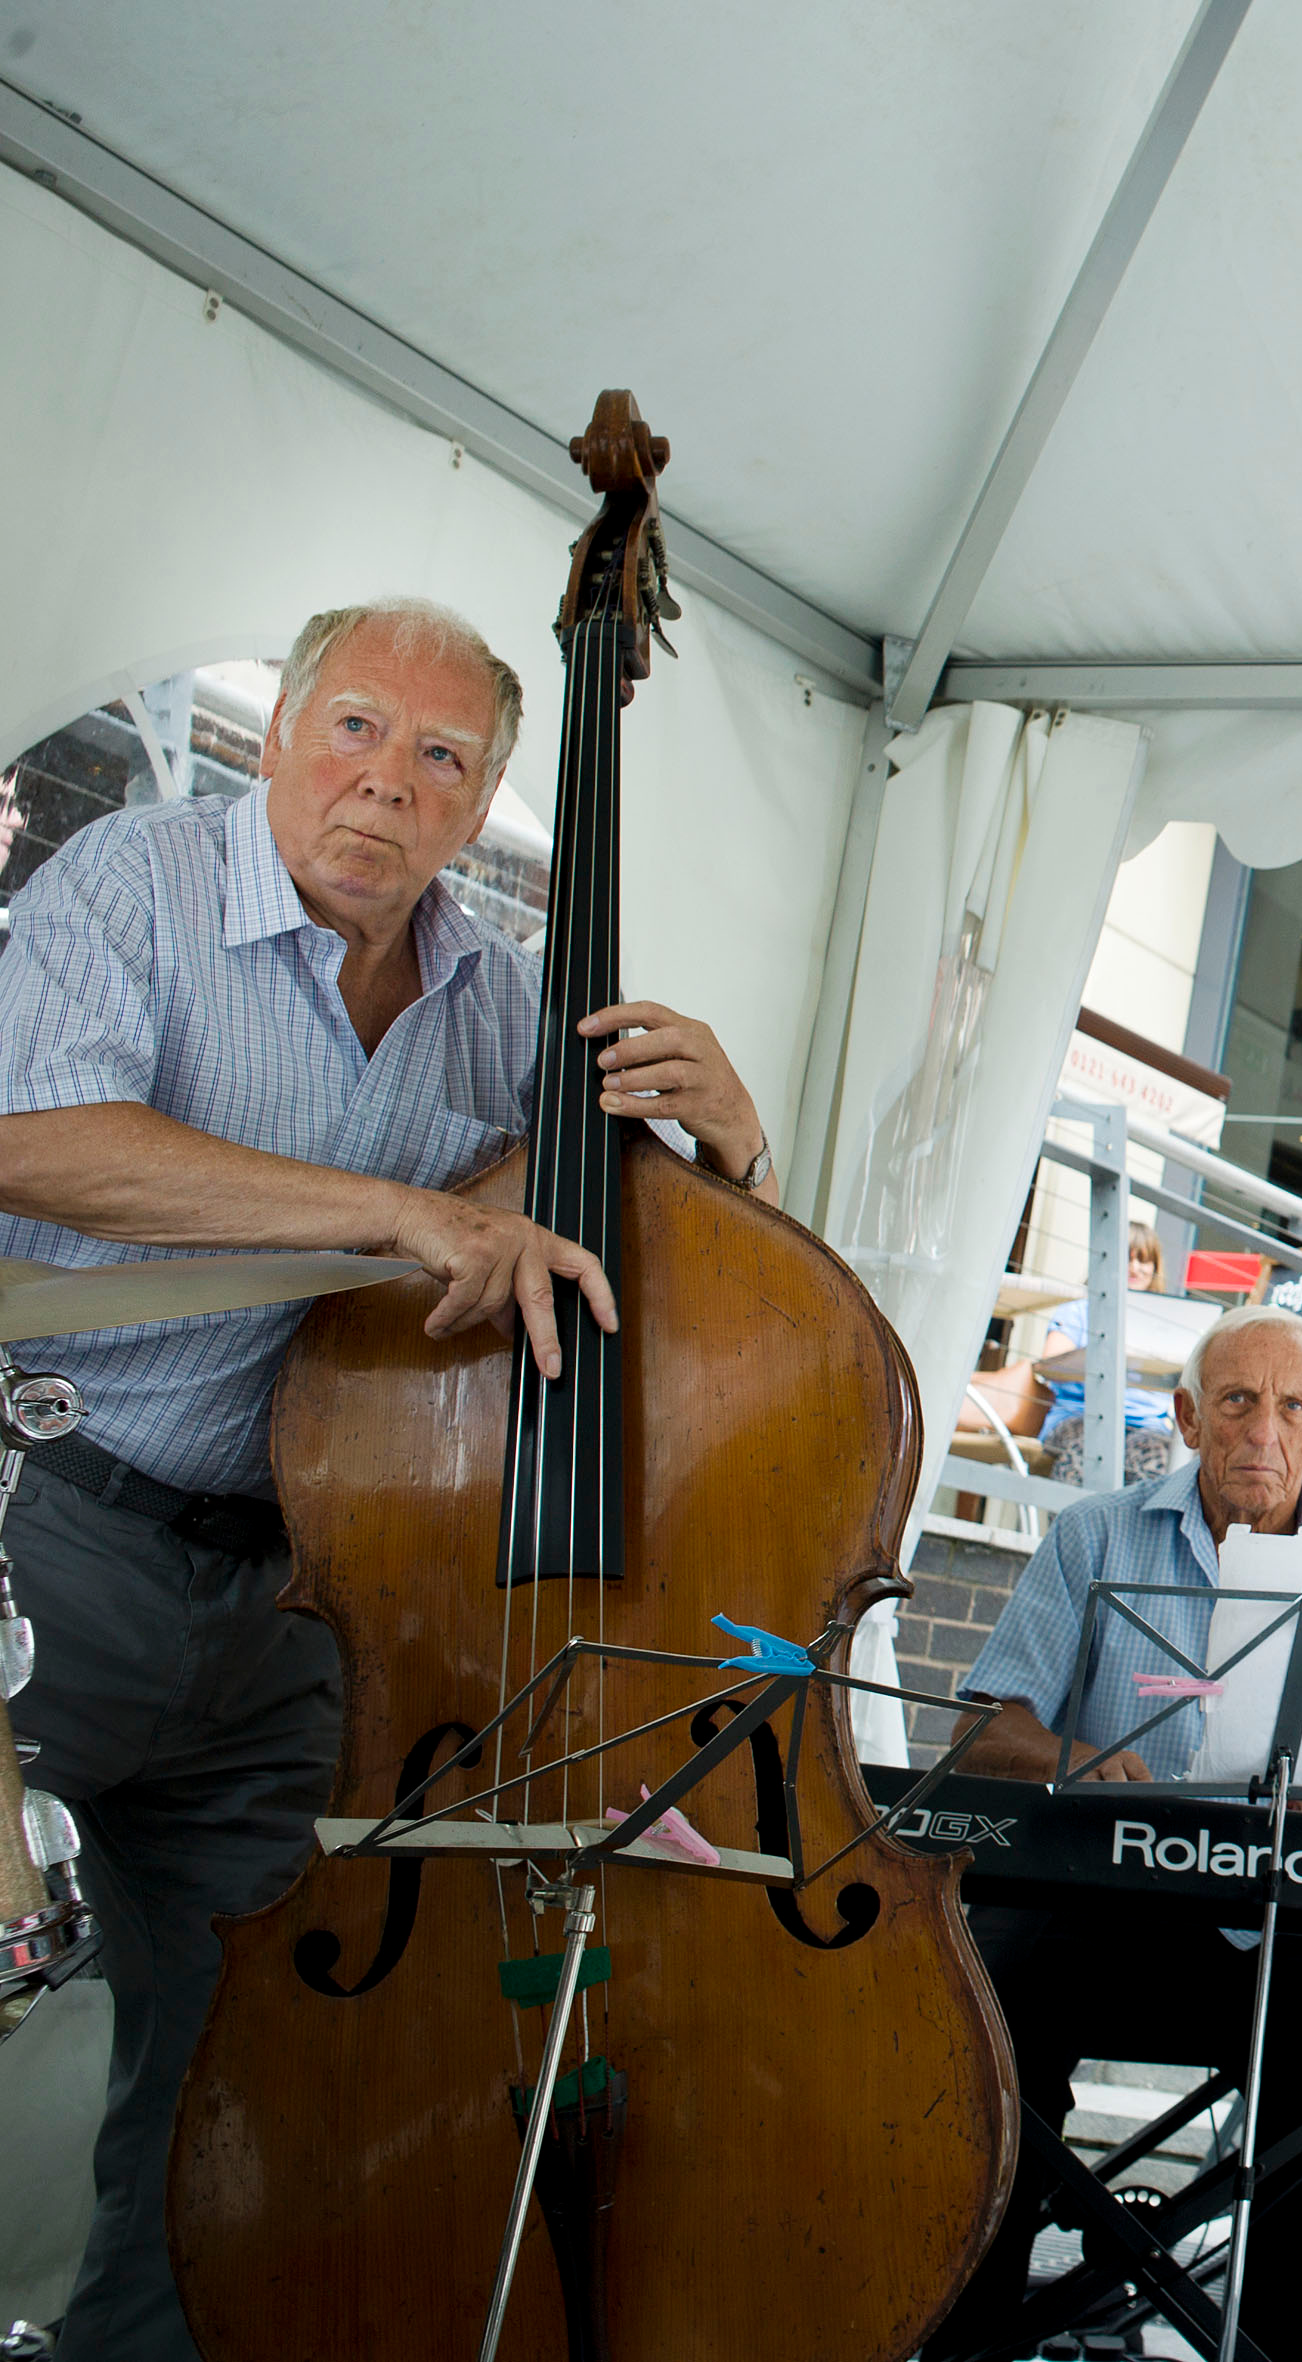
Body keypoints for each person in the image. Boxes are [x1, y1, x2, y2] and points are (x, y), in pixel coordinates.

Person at [0, 597, 779, 2361]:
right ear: (274, 729)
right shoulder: (134, 880)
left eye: (442, 758)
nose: (388, 785)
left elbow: (666, 1270)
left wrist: (736, 1139)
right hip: (46, 1531)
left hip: (290, 1608)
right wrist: (394, 1206)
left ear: (491, 796)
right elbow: (32, 1141)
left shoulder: (501, 998)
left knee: (236, 2086)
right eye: (354, 728)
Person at [939, 1304, 1302, 2362]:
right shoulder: (1096, 1533)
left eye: (1292, 1406)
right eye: (1238, 1401)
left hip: (1272, 1916)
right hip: (1096, 1904)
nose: (1263, 1431)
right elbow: (988, 1722)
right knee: (987, 2010)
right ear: (1189, 1416)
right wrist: (1069, 1757)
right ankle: (969, 2336)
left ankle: (1272, 2349)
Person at [1032, 1222, 1182, 1483]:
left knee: (1160, 1460)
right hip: (1081, 1417)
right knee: (1087, 1449)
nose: (1134, 1268)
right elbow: (1051, 1363)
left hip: (1146, 1427)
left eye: (1144, 1260)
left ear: (1155, 1268)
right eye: (1127, 1258)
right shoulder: (1079, 1310)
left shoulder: (1164, 1324)